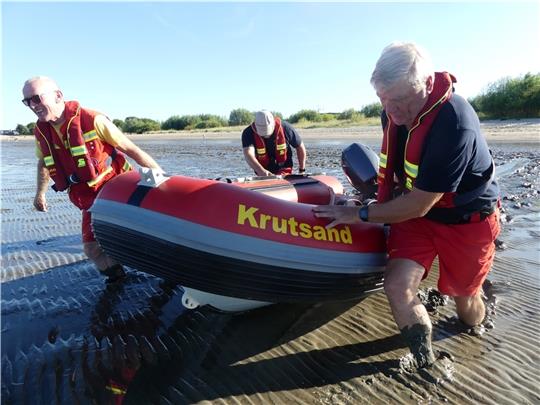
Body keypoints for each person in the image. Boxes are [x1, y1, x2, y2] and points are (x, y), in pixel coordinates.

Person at [313, 42, 500, 369]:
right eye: (384, 101)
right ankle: (426, 360)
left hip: (466, 218)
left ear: (428, 85)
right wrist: (365, 199)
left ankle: (475, 296)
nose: (393, 113)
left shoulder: (455, 123)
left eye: (401, 101)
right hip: (419, 215)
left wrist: (359, 214)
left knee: (466, 305)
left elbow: (419, 204)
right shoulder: (394, 110)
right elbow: (401, 176)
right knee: (397, 286)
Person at [22, 76, 162, 282]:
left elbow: (131, 149)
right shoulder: (41, 132)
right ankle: (118, 280)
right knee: (92, 249)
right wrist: (40, 193)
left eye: (36, 98)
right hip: (89, 199)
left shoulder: (93, 119)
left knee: (141, 236)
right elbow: (44, 163)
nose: (32, 106)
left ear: (58, 96)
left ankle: (169, 271)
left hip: (118, 190)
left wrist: (161, 178)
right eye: (27, 101)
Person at [242, 110, 307, 176]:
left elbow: (300, 146)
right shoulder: (248, 133)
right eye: (263, 134)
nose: (266, 136)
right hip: (263, 171)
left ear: (273, 123)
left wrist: (302, 170)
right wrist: (261, 171)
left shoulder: (286, 128)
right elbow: (248, 154)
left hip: (284, 168)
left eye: (268, 132)